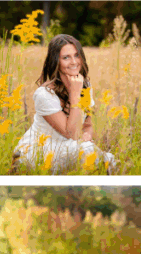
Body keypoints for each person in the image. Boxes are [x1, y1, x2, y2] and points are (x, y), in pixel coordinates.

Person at [13, 34, 116, 174]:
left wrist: (86, 135)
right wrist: (75, 94)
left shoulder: (85, 85)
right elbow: (71, 133)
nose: (74, 62)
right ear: (56, 62)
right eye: (66, 57)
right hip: (38, 151)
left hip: (67, 147)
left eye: (76, 55)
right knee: (92, 153)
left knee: (106, 159)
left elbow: (88, 124)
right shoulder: (44, 94)